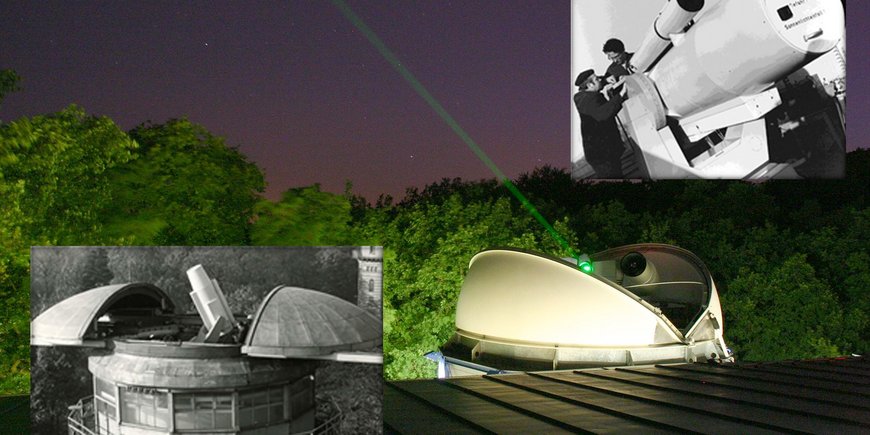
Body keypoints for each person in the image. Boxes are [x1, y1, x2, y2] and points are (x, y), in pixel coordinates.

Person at [574, 69, 627, 178]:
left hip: (603, 153)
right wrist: (621, 95)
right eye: (596, 79)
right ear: (590, 85)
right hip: (602, 155)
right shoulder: (587, 100)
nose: (599, 79)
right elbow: (603, 114)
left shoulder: (584, 95)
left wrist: (606, 80)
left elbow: (599, 82)